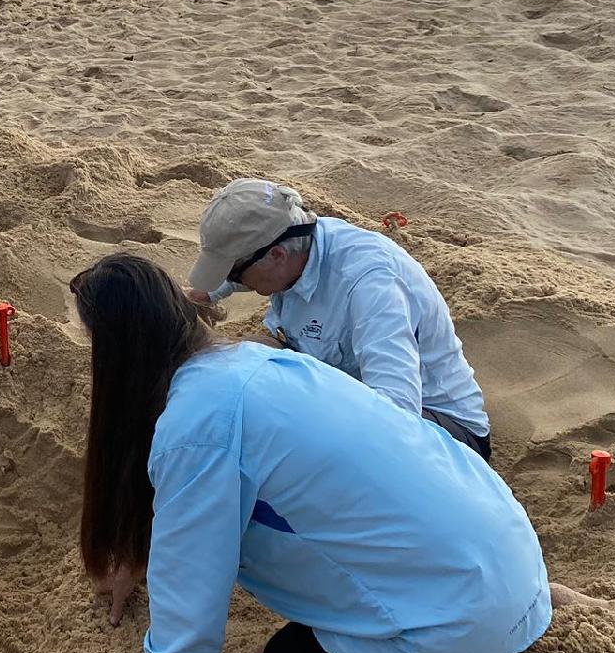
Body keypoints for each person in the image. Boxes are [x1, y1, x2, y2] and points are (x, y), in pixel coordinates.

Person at [69, 254, 615, 653]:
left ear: (119, 355)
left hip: (451, 626)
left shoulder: (198, 426)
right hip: (508, 553)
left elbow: (190, 606)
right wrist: (136, 550)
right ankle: (527, 610)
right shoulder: (260, 365)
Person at [186, 178, 493, 459]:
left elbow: (398, 415)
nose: (233, 280)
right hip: (345, 388)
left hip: (441, 430)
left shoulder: (371, 285)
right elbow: (244, 265)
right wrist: (206, 294)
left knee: (281, 434)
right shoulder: (300, 241)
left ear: (277, 256)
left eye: (233, 272)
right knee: (247, 358)